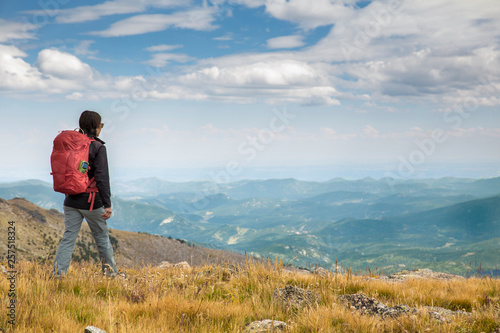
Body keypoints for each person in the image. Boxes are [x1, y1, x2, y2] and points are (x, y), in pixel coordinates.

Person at [53, 110, 118, 277]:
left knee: (68, 238)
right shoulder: (97, 147)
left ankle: (58, 275)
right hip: (91, 201)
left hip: (71, 200)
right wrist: (107, 204)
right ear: (95, 127)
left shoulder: (71, 144)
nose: (101, 128)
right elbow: (102, 178)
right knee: (102, 238)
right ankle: (111, 275)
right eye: (101, 125)